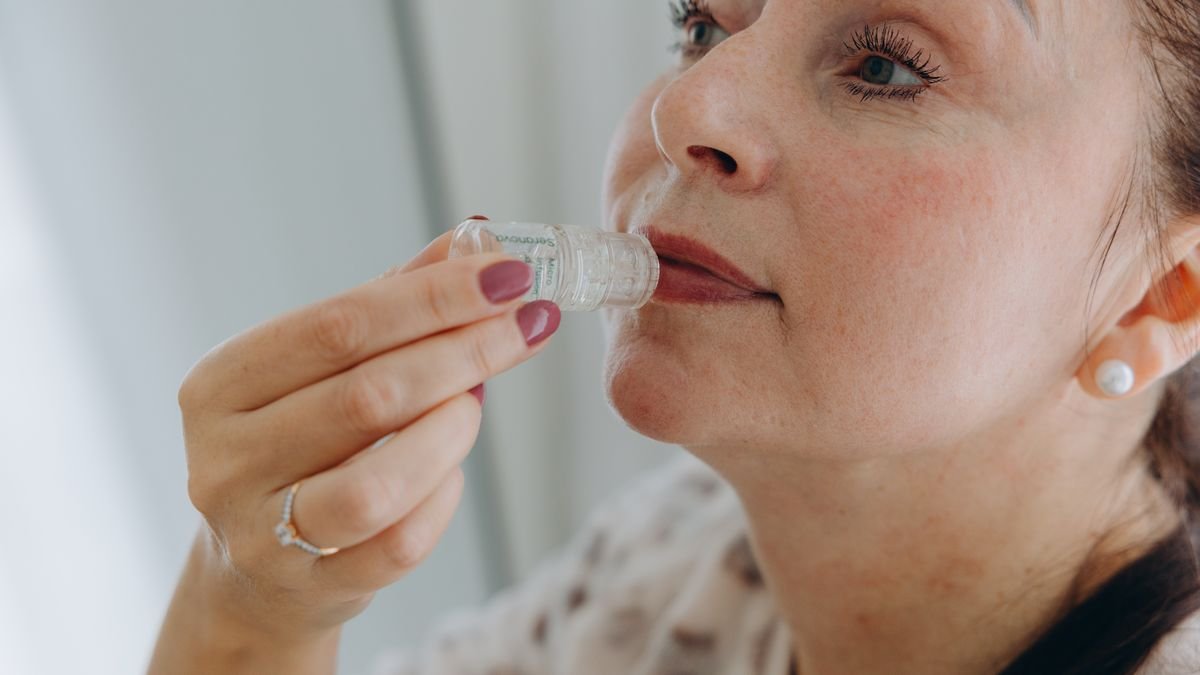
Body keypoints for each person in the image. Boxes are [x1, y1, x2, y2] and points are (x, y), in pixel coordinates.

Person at [148, 0, 1200, 673]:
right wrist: (257, 610)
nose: (686, 107)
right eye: (702, 26)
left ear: (1165, 295)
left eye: (885, 66)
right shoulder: (672, 572)